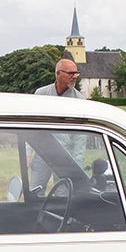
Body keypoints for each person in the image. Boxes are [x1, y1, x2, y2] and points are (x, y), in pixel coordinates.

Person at [28, 58, 86, 193]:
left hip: (65, 156)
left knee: (63, 197)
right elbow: (31, 124)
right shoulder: (40, 94)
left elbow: (80, 137)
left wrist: (77, 165)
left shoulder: (80, 100)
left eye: (76, 73)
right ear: (59, 74)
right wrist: (27, 154)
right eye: (71, 73)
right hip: (42, 153)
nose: (75, 77)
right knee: (35, 193)